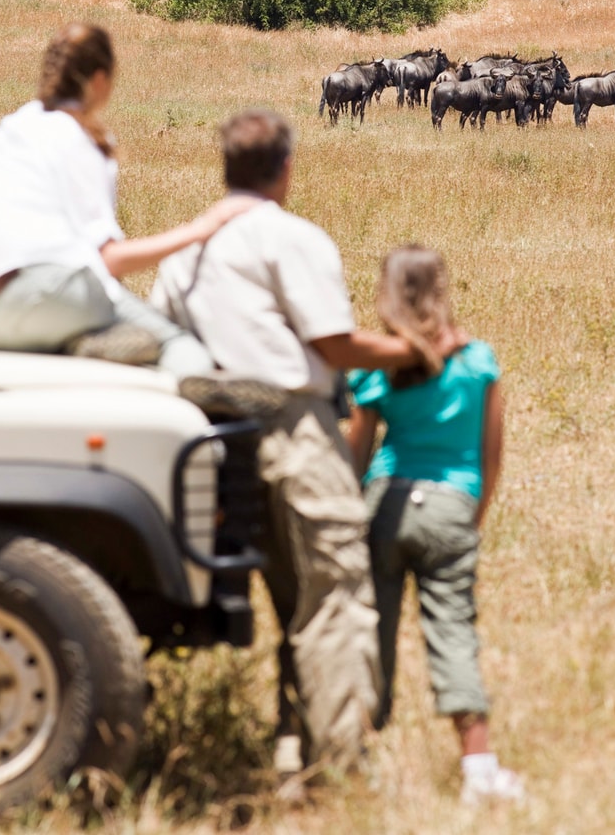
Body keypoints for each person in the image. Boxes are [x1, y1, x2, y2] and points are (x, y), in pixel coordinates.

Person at [150, 108, 448, 780]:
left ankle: (290, 745)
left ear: (225, 169)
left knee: (287, 598)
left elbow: (164, 341)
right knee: (334, 590)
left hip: (212, 440)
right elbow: (333, 344)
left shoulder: (184, 254)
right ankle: (338, 764)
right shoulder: (292, 237)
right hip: (293, 427)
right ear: (286, 168)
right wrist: (413, 348)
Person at [0, 22, 253, 373]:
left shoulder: (12, 128)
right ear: (98, 79)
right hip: (57, 301)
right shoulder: (82, 140)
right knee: (175, 341)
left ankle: (77, 338)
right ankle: (202, 399)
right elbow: (109, 260)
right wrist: (203, 227)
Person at [345, 244, 524, 806]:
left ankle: (359, 760)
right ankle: (478, 767)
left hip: (386, 503)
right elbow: (492, 455)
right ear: (444, 291)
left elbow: (355, 453)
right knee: (452, 631)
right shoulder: (478, 362)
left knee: (371, 634)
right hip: (451, 505)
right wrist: (475, 514)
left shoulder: (379, 368)